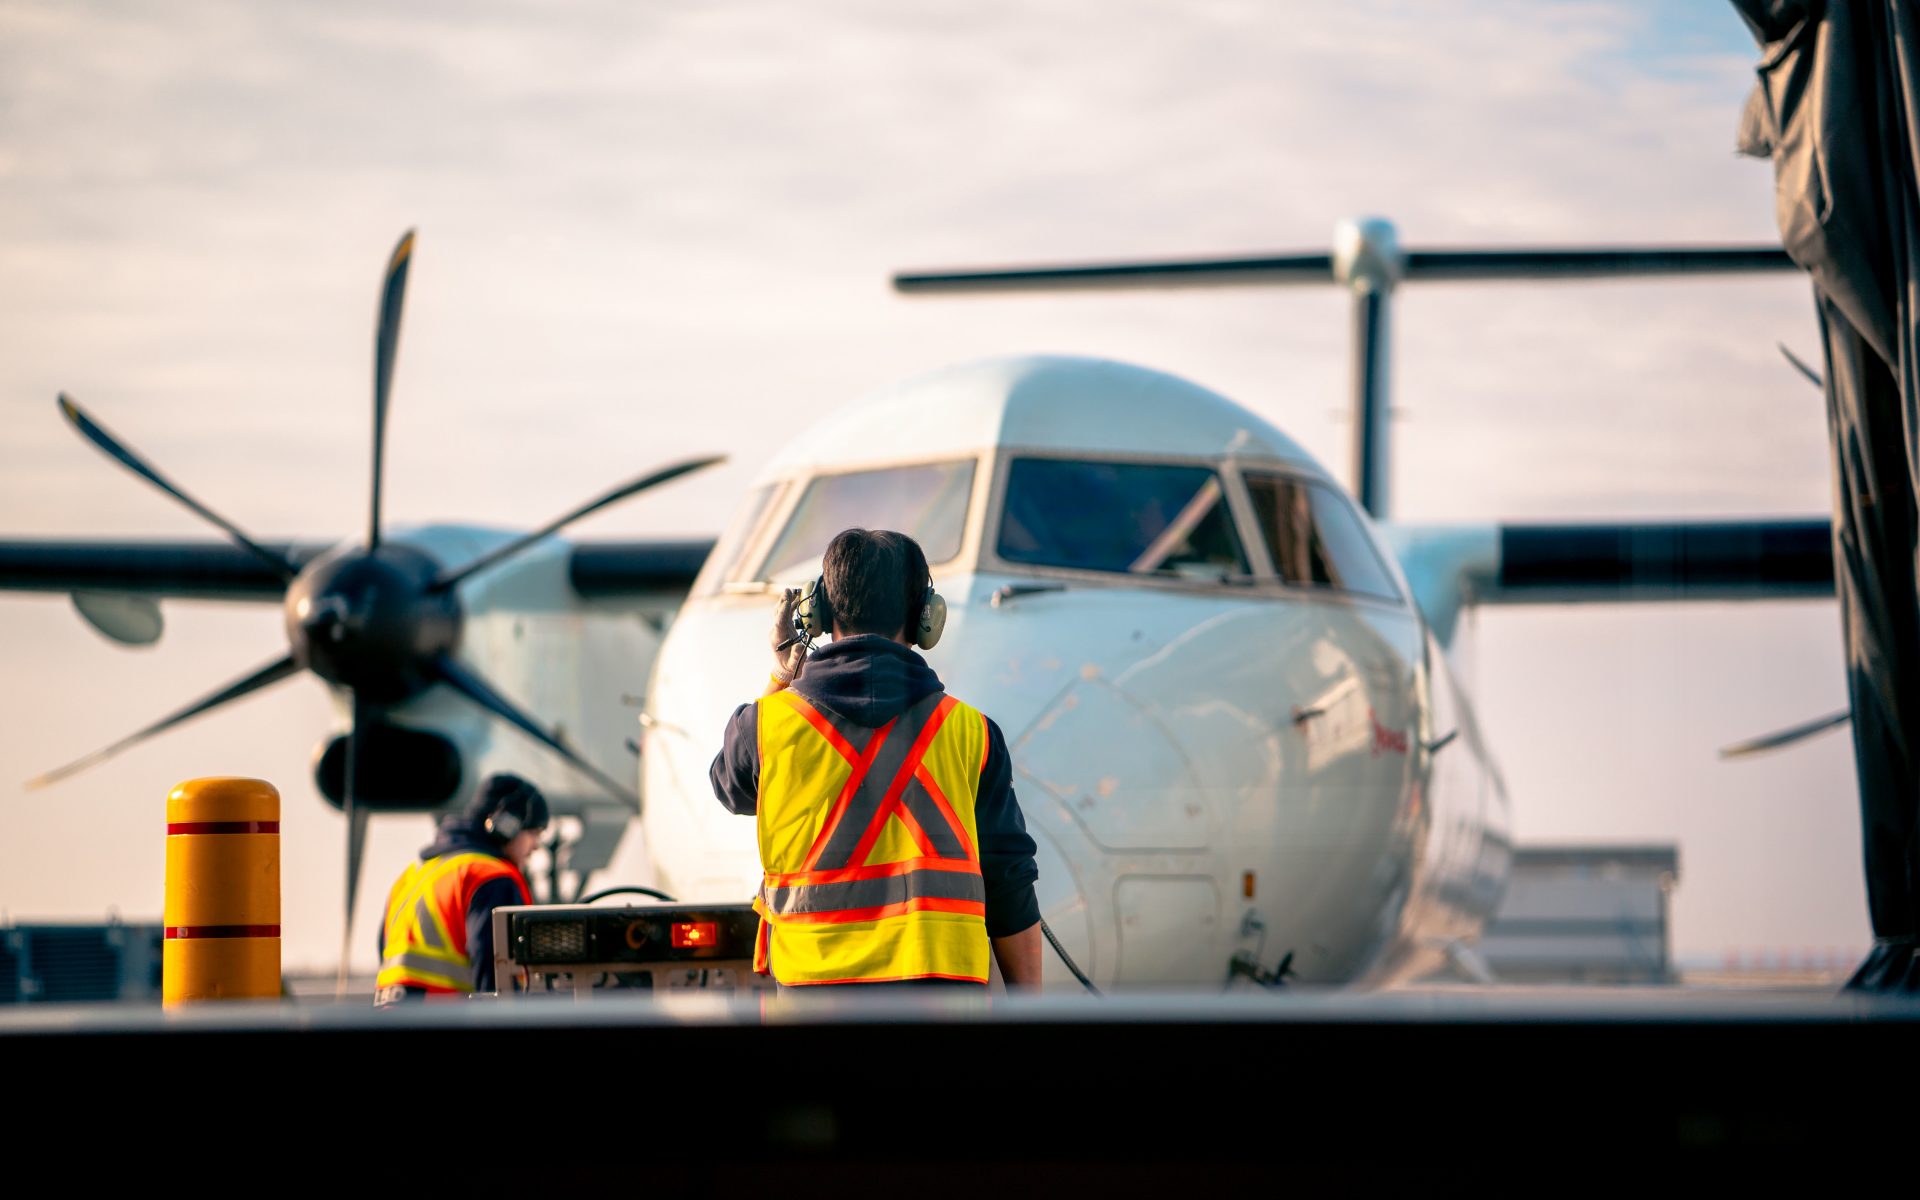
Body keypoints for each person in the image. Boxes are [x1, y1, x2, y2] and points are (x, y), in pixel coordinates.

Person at [710, 528, 1043, 989]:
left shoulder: (766, 727)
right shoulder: (972, 734)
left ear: (819, 611)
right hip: (942, 1003)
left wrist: (782, 674)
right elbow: (1009, 882)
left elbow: (730, 787)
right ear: (925, 617)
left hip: (810, 999)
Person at [373, 773, 547, 1004]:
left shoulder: (413, 876)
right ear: (507, 826)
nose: (536, 846)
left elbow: (383, 950)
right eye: (533, 833)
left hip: (390, 1021)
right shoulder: (490, 877)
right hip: (449, 1023)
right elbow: (496, 972)